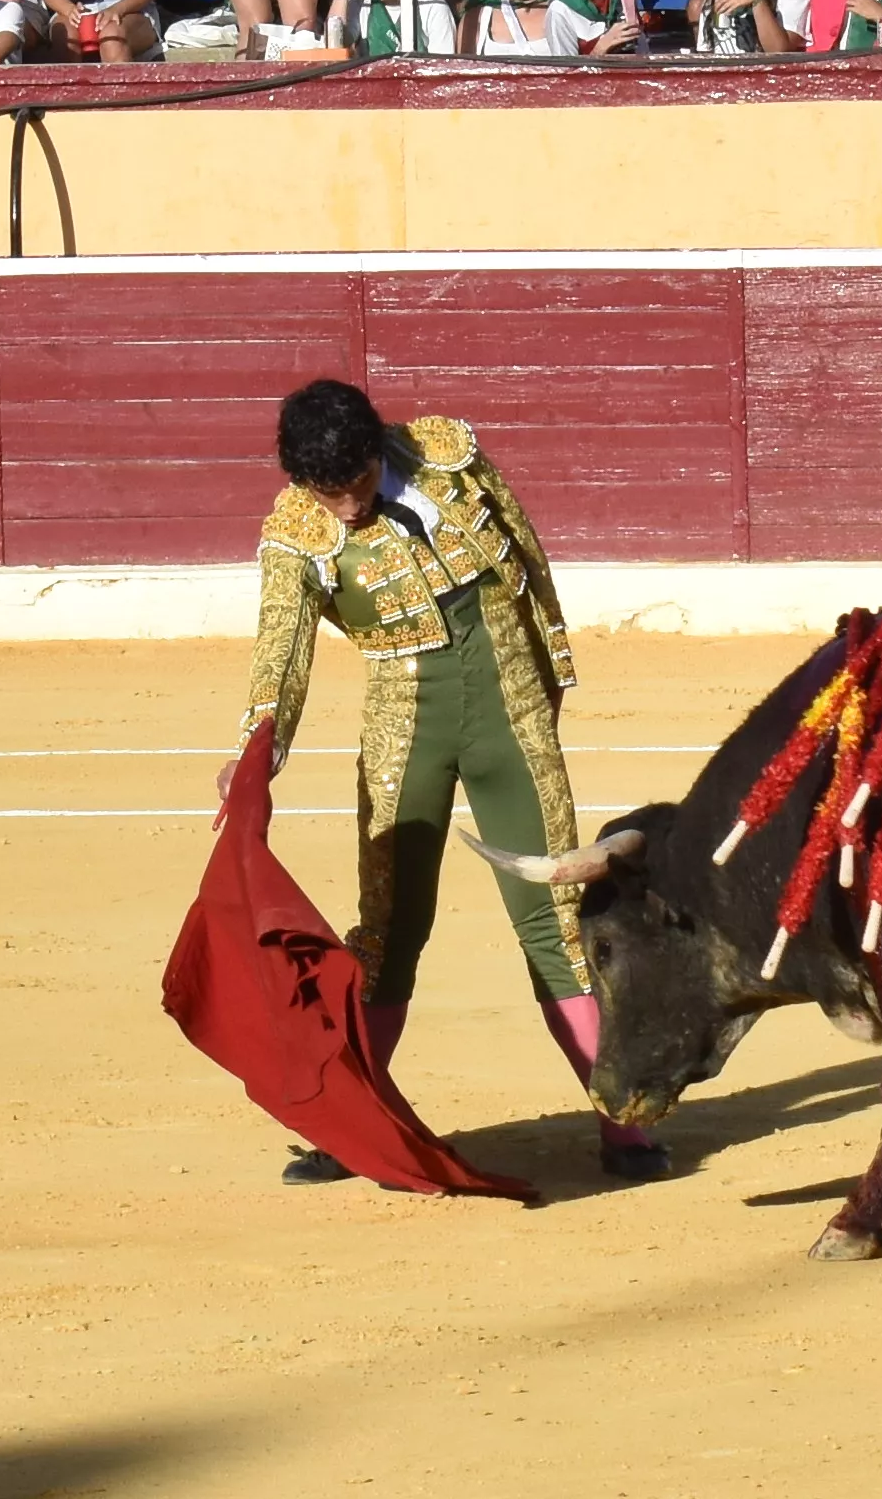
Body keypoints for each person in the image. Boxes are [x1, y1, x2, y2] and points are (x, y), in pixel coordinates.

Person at [238, 378, 661, 1183]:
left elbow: (526, 555)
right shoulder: (296, 531)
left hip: (509, 701)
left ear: (375, 452)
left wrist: (552, 673)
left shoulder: (448, 454)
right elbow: (281, 647)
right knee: (389, 925)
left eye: (356, 486)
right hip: (405, 723)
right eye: (329, 495)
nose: (348, 509)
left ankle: (625, 1124)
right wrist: (260, 748)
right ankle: (348, 1126)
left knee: (556, 914)